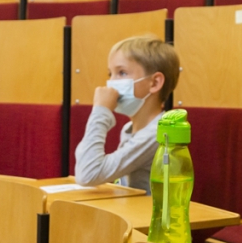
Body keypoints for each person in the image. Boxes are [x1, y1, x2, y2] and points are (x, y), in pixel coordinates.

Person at [74, 35, 180, 193]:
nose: (111, 84)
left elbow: (88, 175)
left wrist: (100, 112)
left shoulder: (158, 133)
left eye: (122, 73)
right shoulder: (129, 128)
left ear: (155, 82)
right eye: (110, 74)